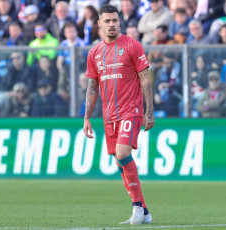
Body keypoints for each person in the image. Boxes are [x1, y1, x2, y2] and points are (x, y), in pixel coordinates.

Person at [83, 4, 154, 225]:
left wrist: (148, 112)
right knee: (118, 162)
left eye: (115, 20)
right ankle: (144, 210)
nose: (112, 24)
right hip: (109, 116)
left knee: (123, 154)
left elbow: (145, 79)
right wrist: (86, 117)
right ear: (99, 24)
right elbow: (92, 87)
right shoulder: (94, 52)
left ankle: (136, 209)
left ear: (119, 22)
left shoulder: (132, 46)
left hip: (131, 110)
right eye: (107, 21)